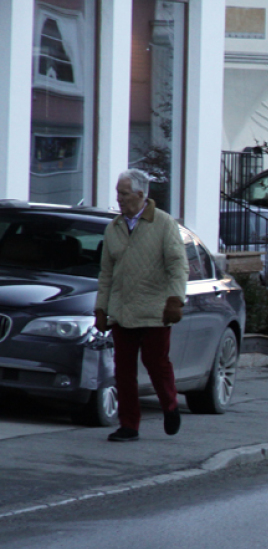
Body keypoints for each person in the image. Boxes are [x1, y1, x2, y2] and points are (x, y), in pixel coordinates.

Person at [94, 168, 188, 441]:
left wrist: (175, 300)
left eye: (124, 193)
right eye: (118, 193)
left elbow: (177, 265)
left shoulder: (163, 223)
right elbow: (106, 274)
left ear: (140, 194)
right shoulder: (113, 228)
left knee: (156, 363)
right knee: (123, 371)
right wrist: (101, 308)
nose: (119, 198)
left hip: (154, 310)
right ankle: (129, 425)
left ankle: (170, 406)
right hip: (122, 312)